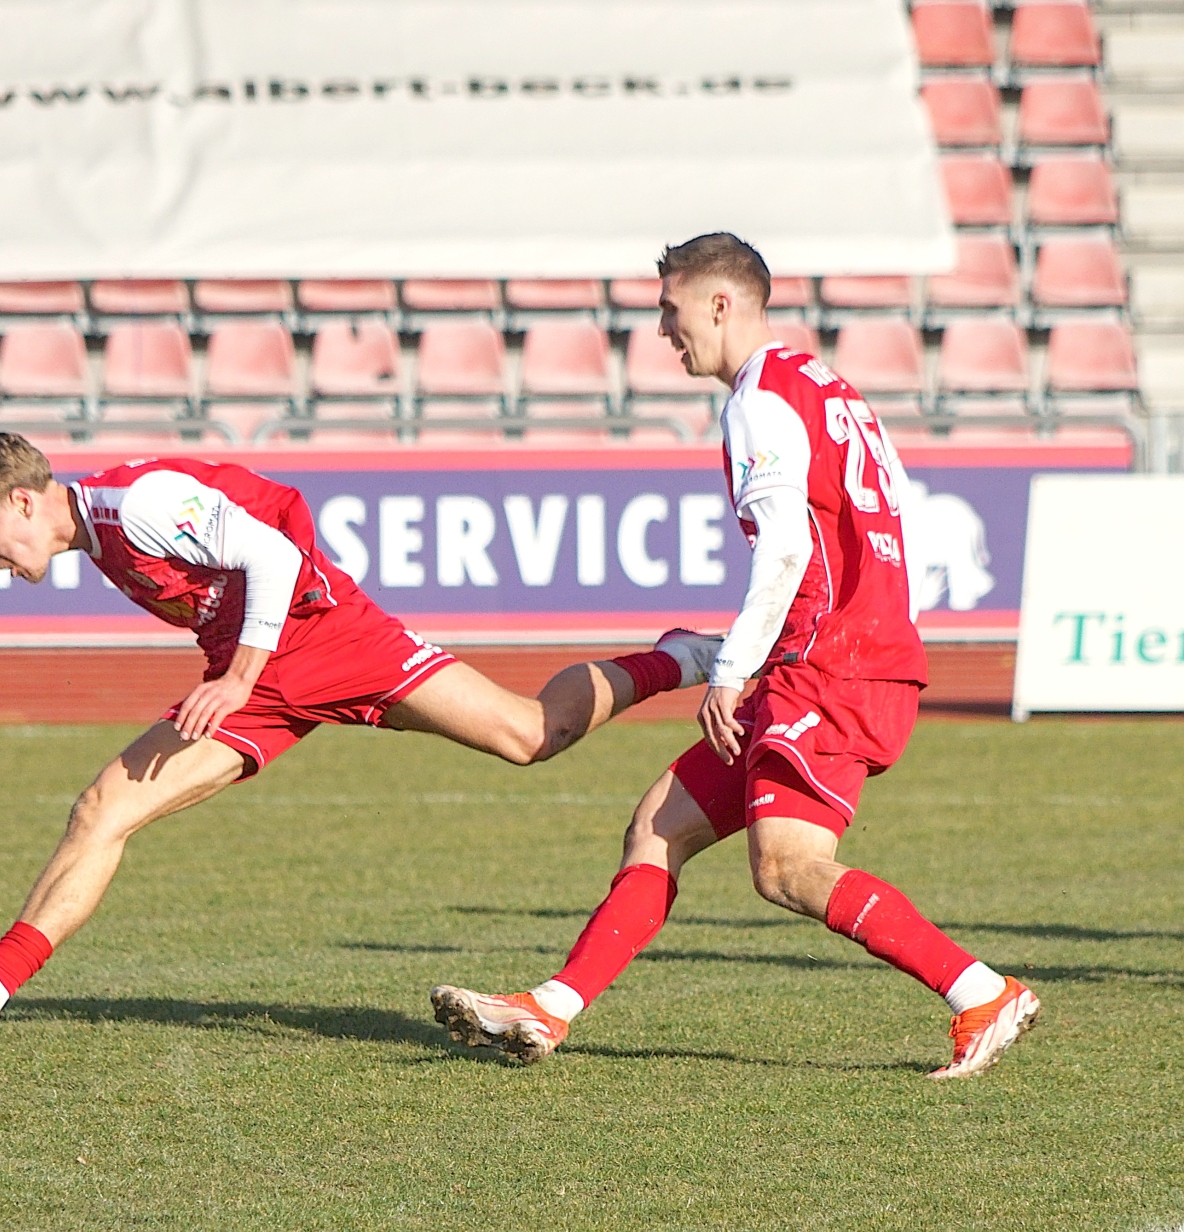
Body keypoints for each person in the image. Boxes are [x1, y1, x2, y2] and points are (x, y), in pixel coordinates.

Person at [0, 433, 722, 1047]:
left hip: (327, 641)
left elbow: (274, 557)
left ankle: (683, 657)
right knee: (103, 808)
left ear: (23, 501)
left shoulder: (138, 506)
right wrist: (242, 676)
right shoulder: (101, 537)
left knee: (533, 732)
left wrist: (237, 678)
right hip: (264, 679)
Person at [430, 233, 1038, 1080]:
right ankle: (550, 1009)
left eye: (669, 309)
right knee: (658, 825)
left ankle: (980, 992)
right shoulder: (829, 388)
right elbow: (879, 526)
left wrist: (730, 668)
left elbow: (786, 546)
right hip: (832, 654)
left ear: (719, 304)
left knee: (787, 869)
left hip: (832, 665)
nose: (661, 330)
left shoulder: (760, 398)